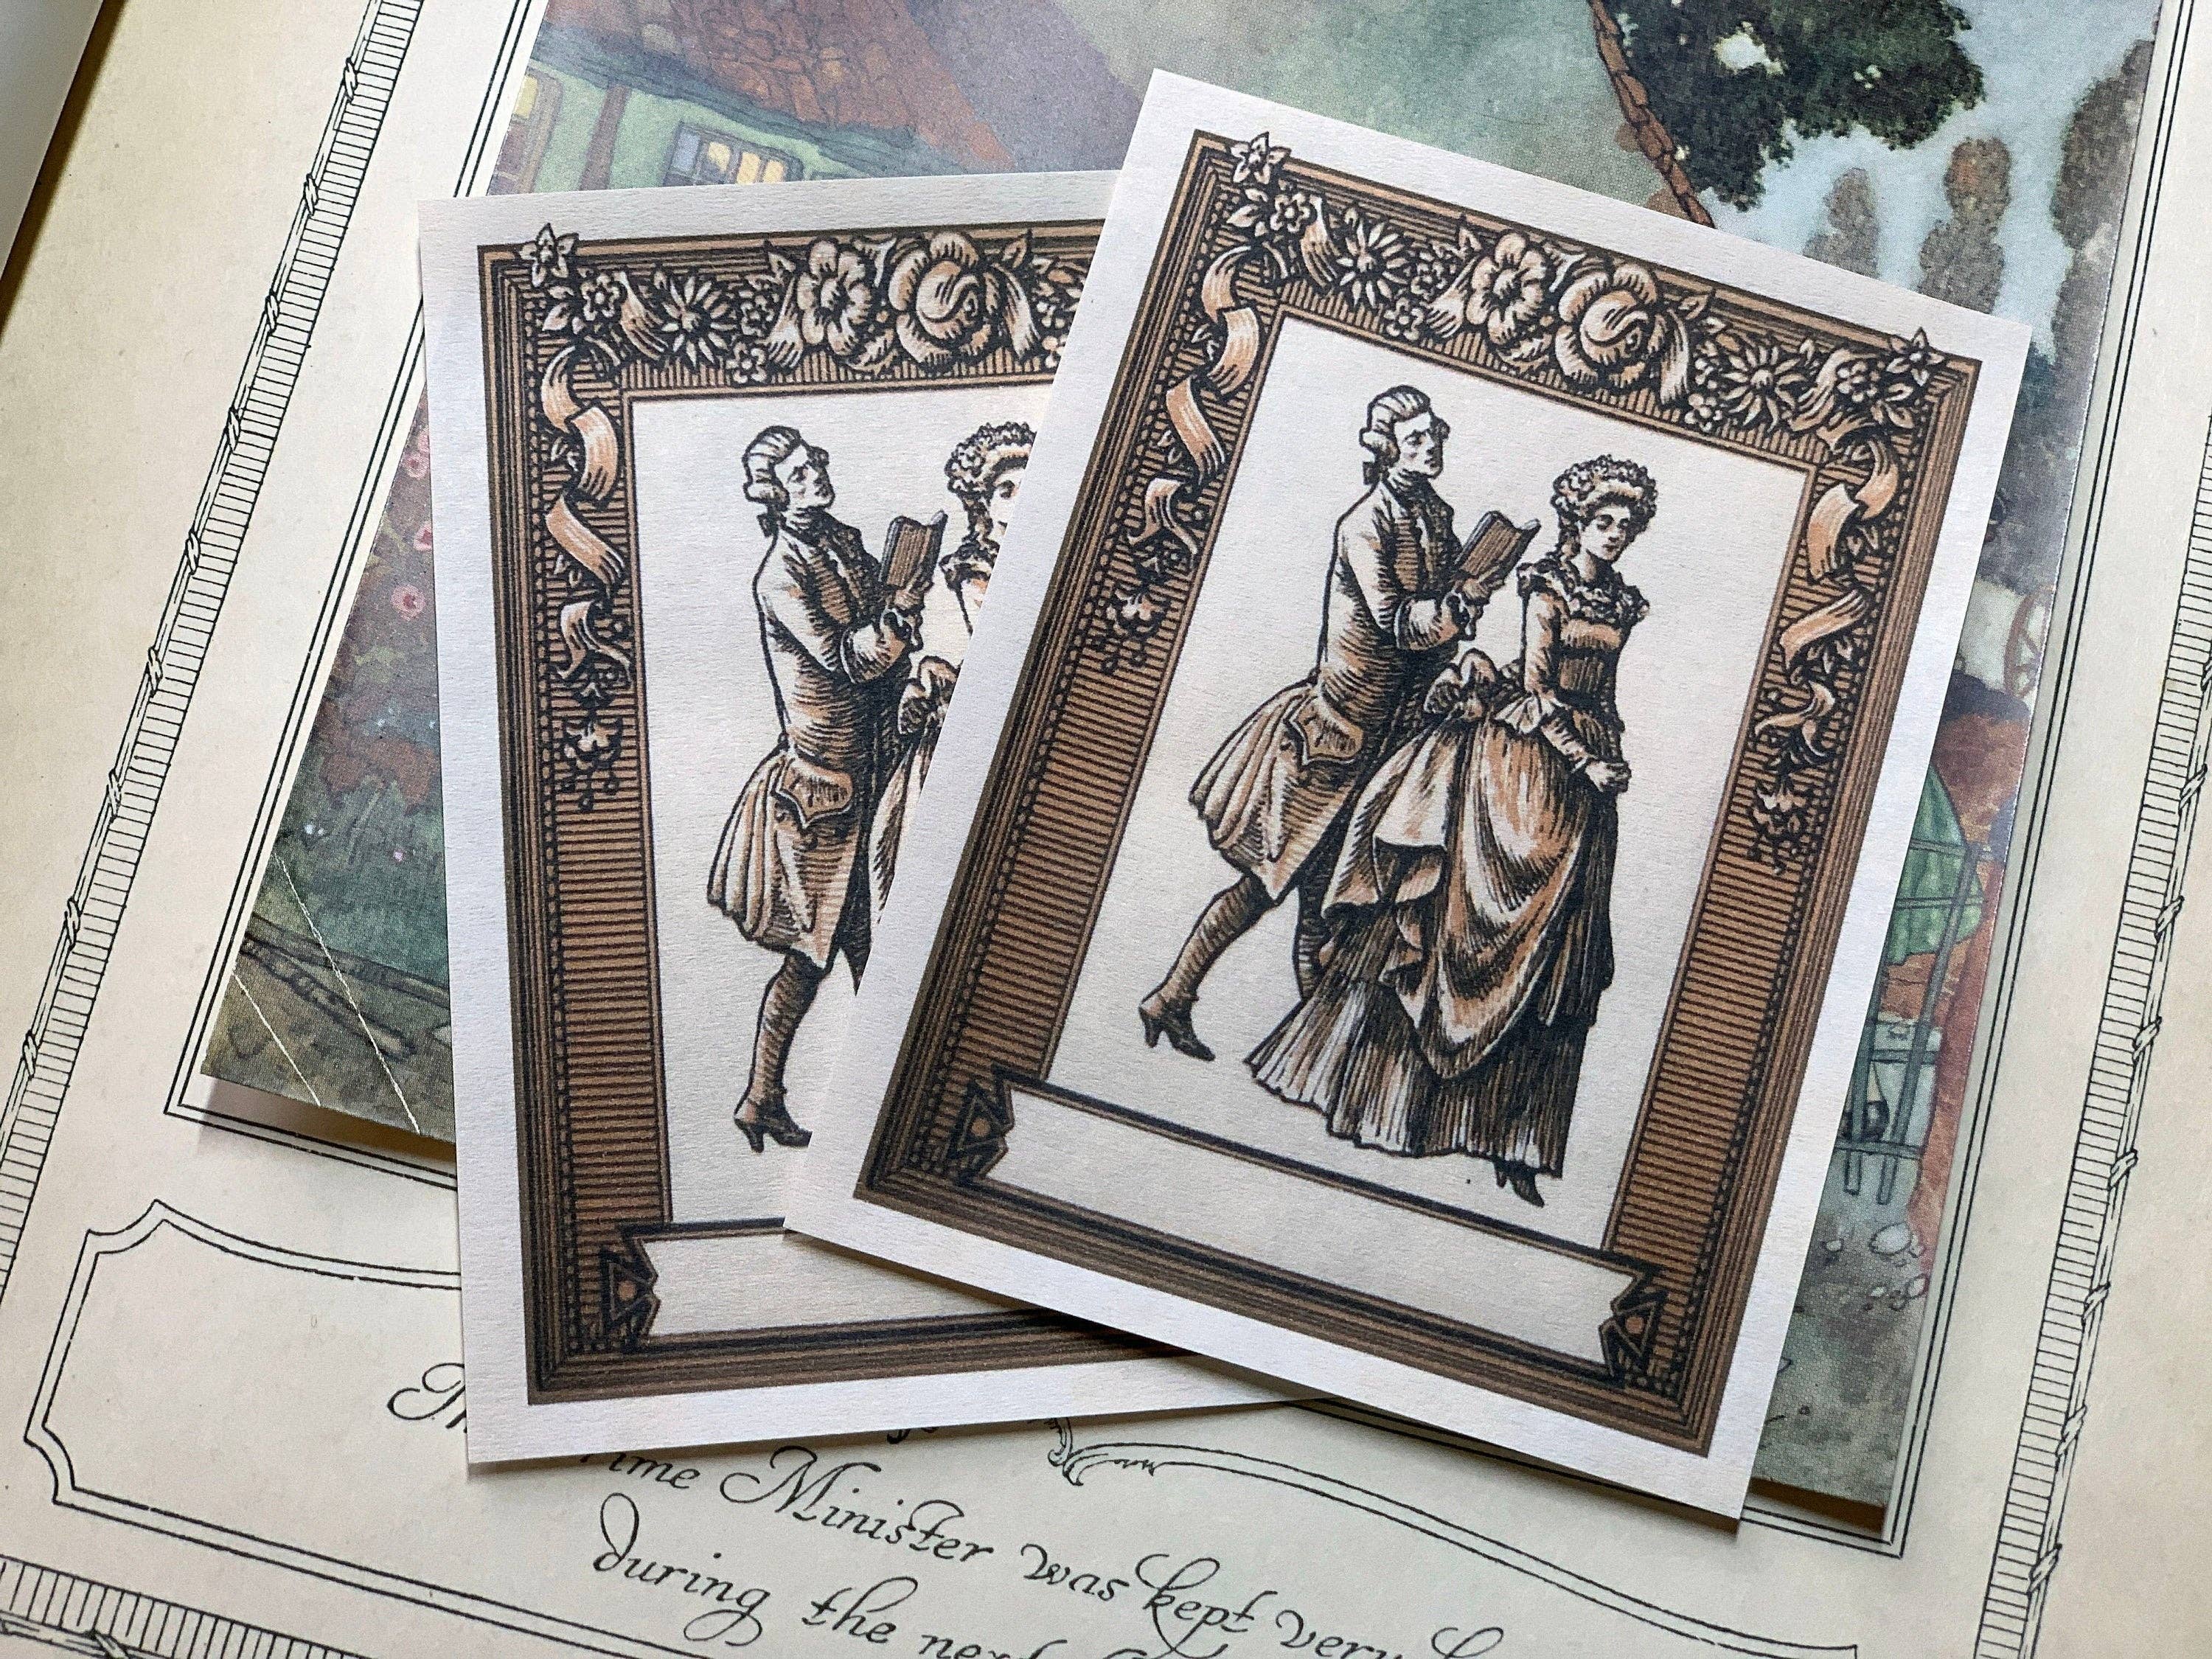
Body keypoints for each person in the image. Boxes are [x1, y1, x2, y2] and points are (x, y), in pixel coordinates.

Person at [1247, 455, 1655, 1207]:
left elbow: (1605, 690)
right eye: (1604, 521)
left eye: (1626, 525)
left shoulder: (1623, 600)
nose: (1615, 534)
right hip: (1524, 767)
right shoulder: (1547, 588)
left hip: (1590, 779)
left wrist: (1607, 756)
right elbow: (1536, 692)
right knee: (1463, 932)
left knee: (1555, 956)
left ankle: (1518, 1144)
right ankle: (1394, 1108)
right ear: (1577, 522)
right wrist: (1583, 760)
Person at [1138, 386, 1498, 1062]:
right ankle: (1175, 996)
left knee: (1329, 903)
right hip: (1332, 739)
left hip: (1390, 740)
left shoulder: (1435, 514)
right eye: (1417, 438)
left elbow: (1433, 630)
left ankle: (1311, 1048)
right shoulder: (1365, 524)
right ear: (1387, 449)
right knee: (1266, 887)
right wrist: (1456, 608)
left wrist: (1463, 611)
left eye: (1436, 435)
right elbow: (1398, 622)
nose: (1432, 446)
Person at [707, 424, 925, 1152]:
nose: (817, 475)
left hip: (872, 767)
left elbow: (881, 645)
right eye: (800, 473)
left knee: (863, 946)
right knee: (819, 952)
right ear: (774, 493)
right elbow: (847, 659)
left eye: (817, 463)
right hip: (822, 793)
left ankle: (791, 1100)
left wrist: (904, 600)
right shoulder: (779, 574)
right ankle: (798, 1101)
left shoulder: (842, 540)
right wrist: (897, 618)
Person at [871, 420, 1033, 898]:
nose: (1019, 499)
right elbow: (1002, 647)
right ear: (983, 504)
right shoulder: (975, 569)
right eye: (1006, 490)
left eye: (1028, 486)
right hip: (974, 711)